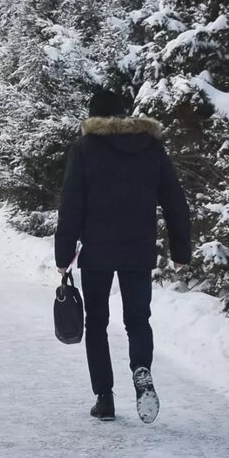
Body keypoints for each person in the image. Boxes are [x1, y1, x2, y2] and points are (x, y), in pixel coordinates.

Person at [54, 90, 190, 425]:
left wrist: (63, 254)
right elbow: (174, 200)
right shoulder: (151, 147)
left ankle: (104, 398)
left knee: (97, 323)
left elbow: (71, 205)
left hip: (98, 251)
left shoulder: (84, 149)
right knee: (137, 320)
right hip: (138, 248)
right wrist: (181, 250)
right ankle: (141, 369)